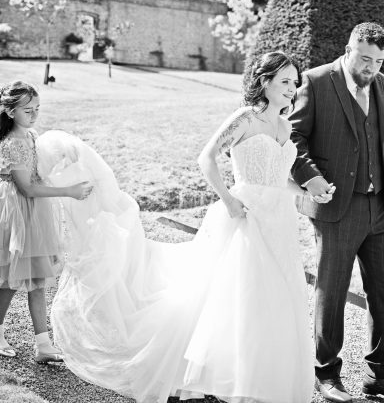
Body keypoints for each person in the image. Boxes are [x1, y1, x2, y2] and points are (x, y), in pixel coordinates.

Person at [44, 51, 313, 402]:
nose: (292, 89)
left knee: (273, 298)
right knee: (235, 294)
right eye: (285, 81)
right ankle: (209, 376)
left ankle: (254, 377)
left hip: (278, 221)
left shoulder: (285, 125)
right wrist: (229, 200)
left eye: (295, 82)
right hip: (244, 216)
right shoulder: (246, 118)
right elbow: (207, 157)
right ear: (265, 82)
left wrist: (307, 191)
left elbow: (279, 178)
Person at [290, 22, 384, 402]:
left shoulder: (383, 85)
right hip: (336, 206)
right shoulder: (316, 82)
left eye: (379, 61)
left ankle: (380, 374)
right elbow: (293, 137)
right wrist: (309, 177)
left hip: (380, 207)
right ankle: (326, 373)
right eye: (365, 59)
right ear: (348, 49)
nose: (371, 67)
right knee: (330, 292)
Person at [0, 81, 93, 363]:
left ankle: (43, 345)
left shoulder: (30, 135)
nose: (34, 115)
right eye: (28, 110)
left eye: (37, 109)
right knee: (14, 279)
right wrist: (69, 192)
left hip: (33, 212)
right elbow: (27, 188)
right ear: (10, 111)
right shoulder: (13, 143)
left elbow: (37, 172)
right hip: (16, 211)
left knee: (37, 279)